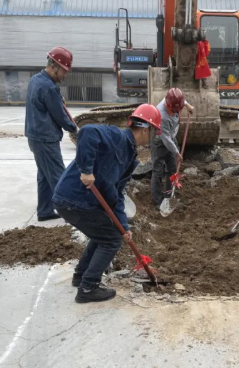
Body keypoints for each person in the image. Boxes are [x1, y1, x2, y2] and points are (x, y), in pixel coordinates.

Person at [53, 104, 162, 303]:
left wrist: (123, 226)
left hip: (79, 202)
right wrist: (86, 170)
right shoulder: (117, 136)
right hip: (74, 199)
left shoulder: (129, 155)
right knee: (111, 240)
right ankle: (88, 288)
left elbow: (117, 195)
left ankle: (81, 276)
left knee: (104, 234)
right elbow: (87, 132)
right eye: (154, 131)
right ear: (146, 129)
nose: (153, 137)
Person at [25, 47, 78, 222]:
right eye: (64, 71)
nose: (65, 75)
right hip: (45, 138)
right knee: (59, 177)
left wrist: (57, 99)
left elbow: (46, 105)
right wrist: (75, 129)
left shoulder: (36, 80)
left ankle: (45, 211)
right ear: (54, 66)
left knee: (44, 176)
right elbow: (60, 116)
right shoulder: (49, 87)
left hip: (35, 137)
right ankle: (73, 214)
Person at [151, 88, 195, 207]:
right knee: (157, 170)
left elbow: (180, 101)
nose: (175, 112)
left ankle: (168, 196)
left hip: (171, 137)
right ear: (167, 104)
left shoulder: (174, 100)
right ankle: (157, 201)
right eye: (173, 110)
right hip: (160, 141)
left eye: (177, 109)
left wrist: (187, 105)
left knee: (172, 169)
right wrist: (176, 152)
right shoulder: (162, 115)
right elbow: (166, 139)